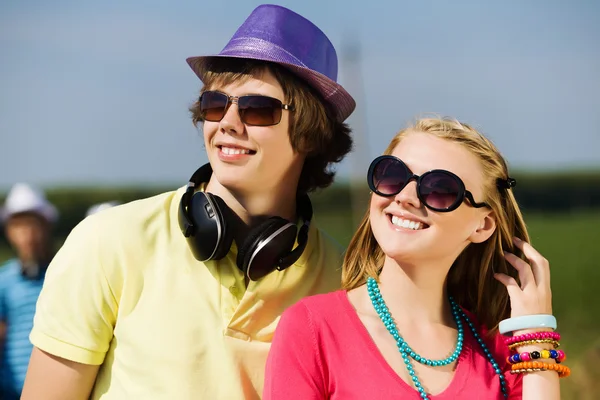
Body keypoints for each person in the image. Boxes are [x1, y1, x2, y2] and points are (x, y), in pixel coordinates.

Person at [22, 4, 355, 400]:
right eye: (217, 103)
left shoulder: (346, 287)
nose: (227, 122)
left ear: (311, 134)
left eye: (257, 109)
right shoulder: (108, 241)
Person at [264, 117, 569, 399]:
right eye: (392, 175)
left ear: (482, 225)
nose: (405, 196)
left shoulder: (503, 351)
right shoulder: (313, 329)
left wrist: (536, 336)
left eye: (439, 189)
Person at [0, 183, 57, 399]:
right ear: (9, 232)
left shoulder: (63, 273)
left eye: (33, 225)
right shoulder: (3, 280)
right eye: (19, 226)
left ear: (46, 227)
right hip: (11, 391)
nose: (27, 235)